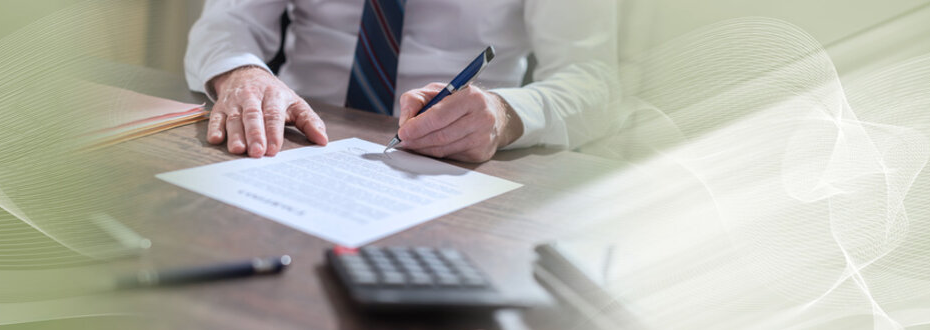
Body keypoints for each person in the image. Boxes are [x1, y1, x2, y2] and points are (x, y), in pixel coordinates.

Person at [185, 0, 617, 162]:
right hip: (296, 140)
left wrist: (505, 116)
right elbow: (226, 21)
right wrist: (242, 72)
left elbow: (593, 80)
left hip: (456, 163)